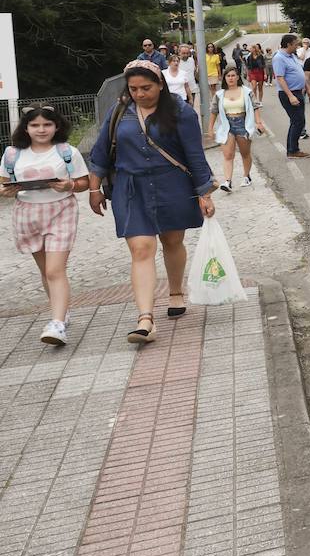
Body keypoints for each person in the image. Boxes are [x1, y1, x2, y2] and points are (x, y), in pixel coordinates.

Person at [88, 60, 216, 344]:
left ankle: (175, 292)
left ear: (160, 84)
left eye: (146, 87)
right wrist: (94, 190)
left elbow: (194, 154)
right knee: (141, 248)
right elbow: (99, 152)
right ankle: (145, 319)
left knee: (172, 241)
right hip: (130, 188)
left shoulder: (180, 112)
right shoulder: (120, 111)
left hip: (172, 185)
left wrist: (204, 193)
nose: (140, 94)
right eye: (133, 88)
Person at [2, 106, 90, 347]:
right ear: (26, 128)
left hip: (61, 210)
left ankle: (57, 323)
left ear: (57, 126)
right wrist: (8, 191)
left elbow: (84, 182)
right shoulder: (12, 154)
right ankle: (61, 312)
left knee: (54, 270)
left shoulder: (67, 152)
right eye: (35, 125)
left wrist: (69, 185)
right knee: (46, 271)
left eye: (47, 125)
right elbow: (3, 184)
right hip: (27, 214)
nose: (41, 129)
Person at [213, 65, 266, 191]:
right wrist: (210, 129)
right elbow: (213, 111)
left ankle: (246, 176)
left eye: (233, 75)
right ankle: (227, 181)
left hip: (243, 124)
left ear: (237, 77)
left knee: (245, 153)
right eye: (228, 76)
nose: (230, 78)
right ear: (224, 78)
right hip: (227, 125)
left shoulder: (246, 91)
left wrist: (258, 122)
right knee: (228, 155)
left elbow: (255, 106)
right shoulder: (220, 94)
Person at [273, 33, 310, 157]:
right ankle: (293, 150)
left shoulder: (291, 56)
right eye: (295, 44)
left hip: (298, 91)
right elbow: (280, 78)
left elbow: (300, 73)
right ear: (288, 44)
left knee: (298, 121)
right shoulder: (279, 58)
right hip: (289, 93)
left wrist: (308, 90)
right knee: (297, 121)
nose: (297, 47)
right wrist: (290, 96)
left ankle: (292, 148)